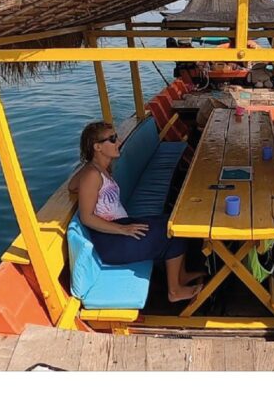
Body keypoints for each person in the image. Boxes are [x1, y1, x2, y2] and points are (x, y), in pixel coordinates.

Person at [71, 121, 205, 302]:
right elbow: (87, 217)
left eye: (116, 137)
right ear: (97, 147)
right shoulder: (92, 175)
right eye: (112, 139)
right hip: (111, 241)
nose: (118, 142)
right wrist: (122, 230)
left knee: (174, 221)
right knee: (172, 233)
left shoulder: (99, 169)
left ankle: (181, 276)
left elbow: (72, 186)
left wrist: (87, 169)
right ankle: (174, 291)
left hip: (118, 229)